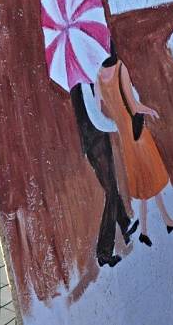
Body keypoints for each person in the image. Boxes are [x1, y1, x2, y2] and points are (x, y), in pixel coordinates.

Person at [95, 44, 173, 248]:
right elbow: (134, 106)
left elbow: (101, 109)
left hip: (124, 136)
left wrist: (116, 119)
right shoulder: (120, 68)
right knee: (150, 176)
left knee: (144, 180)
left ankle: (150, 228)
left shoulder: (98, 77)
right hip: (136, 131)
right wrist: (151, 110)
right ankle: (158, 224)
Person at [70, 83, 138, 268]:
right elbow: (95, 118)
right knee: (110, 190)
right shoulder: (83, 85)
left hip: (95, 140)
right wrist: (118, 125)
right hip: (96, 141)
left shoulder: (79, 84)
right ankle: (104, 251)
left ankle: (124, 224)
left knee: (112, 186)